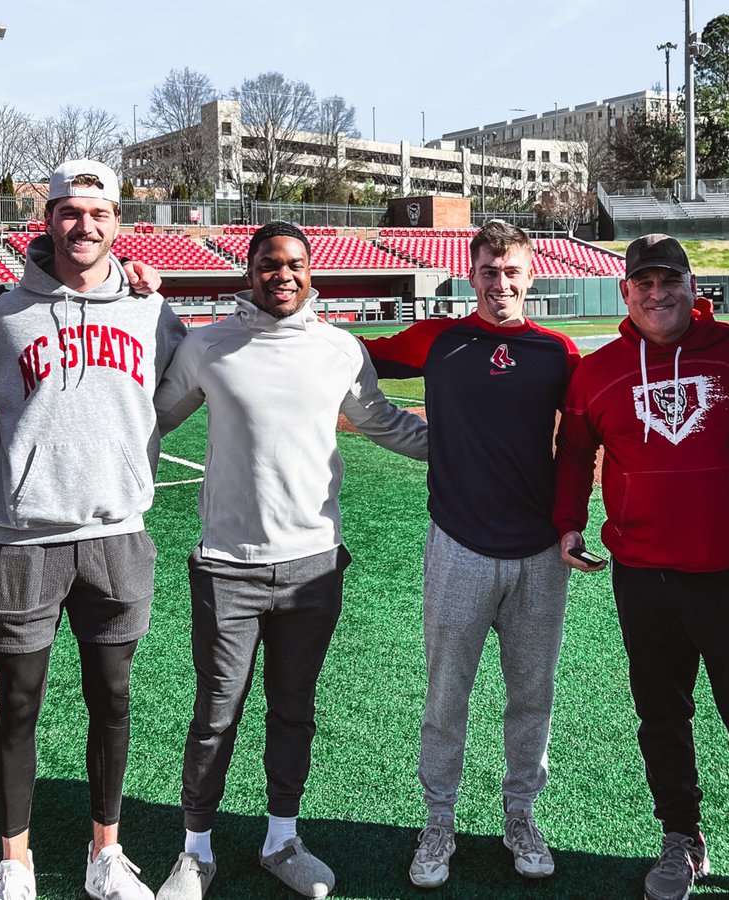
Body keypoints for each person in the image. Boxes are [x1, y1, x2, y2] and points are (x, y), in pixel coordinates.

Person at [153, 221, 427, 900]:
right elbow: (150, 418)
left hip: (313, 566)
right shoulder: (208, 346)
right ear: (249, 272)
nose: (283, 275)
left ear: (312, 272)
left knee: (293, 710)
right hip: (226, 566)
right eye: (269, 264)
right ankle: (195, 852)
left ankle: (282, 839)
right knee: (216, 714)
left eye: (295, 264)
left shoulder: (339, 349)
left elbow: (384, 422)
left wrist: (476, 450)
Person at [554, 234, 729, 900]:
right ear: (625, 293)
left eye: (670, 282)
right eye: (645, 284)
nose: (657, 294)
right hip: (644, 576)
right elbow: (575, 453)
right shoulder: (598, 371)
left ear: (695, 287)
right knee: (662, 717)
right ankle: (681, 839)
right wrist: (570, 522)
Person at [0, 159, 186, 900]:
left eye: (99, 213)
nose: (84, 225)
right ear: (49, 219)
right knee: (18, 704)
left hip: (117, 533)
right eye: (70, 211)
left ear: (118, 224)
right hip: (25, 537)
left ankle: (105, 853)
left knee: (113, 700)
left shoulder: (155, 312)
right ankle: (15, 864)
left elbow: (191, 386)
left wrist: (134, 457)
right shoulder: (4, 317)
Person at [362, 220, 579, 888]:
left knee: (531, 696)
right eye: (489, 270)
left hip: (540, 554)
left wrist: (572, 523)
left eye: (512, 271)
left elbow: (578, 448)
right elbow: (355, 355)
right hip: (457, 544)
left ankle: (521, 815)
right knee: (445, 696)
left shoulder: (559, 352)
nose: (501, 283)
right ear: (471, 272)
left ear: (531, 275)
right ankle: (438, 823)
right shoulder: (438, 338)